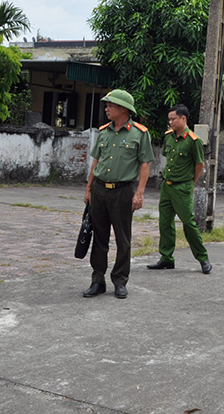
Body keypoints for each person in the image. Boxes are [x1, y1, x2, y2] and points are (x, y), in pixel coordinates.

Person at [83, 89, 154, 299]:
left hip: (123, 192)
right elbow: (95, 162)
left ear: (123, 109)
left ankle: (120, 281)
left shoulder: (139, 134)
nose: (106, 109)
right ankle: (97, 281)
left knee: (123, 239)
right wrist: (88, 189)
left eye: (110, 105)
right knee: (99, 238)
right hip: (100, 190)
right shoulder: (104, 132)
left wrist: (139, 193)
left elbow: (144, 165)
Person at [147, 104, 212, 274]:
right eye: (169, 119)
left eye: (173, 119)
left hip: (182, 188)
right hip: (166, 186)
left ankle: (203, 258)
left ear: (183, 119)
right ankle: (166, 258)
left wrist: (191, 183)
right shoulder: (168, 137)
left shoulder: (193, 140)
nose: (170, 122)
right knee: (165, 223)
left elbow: (199, 165)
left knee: (188, 224)